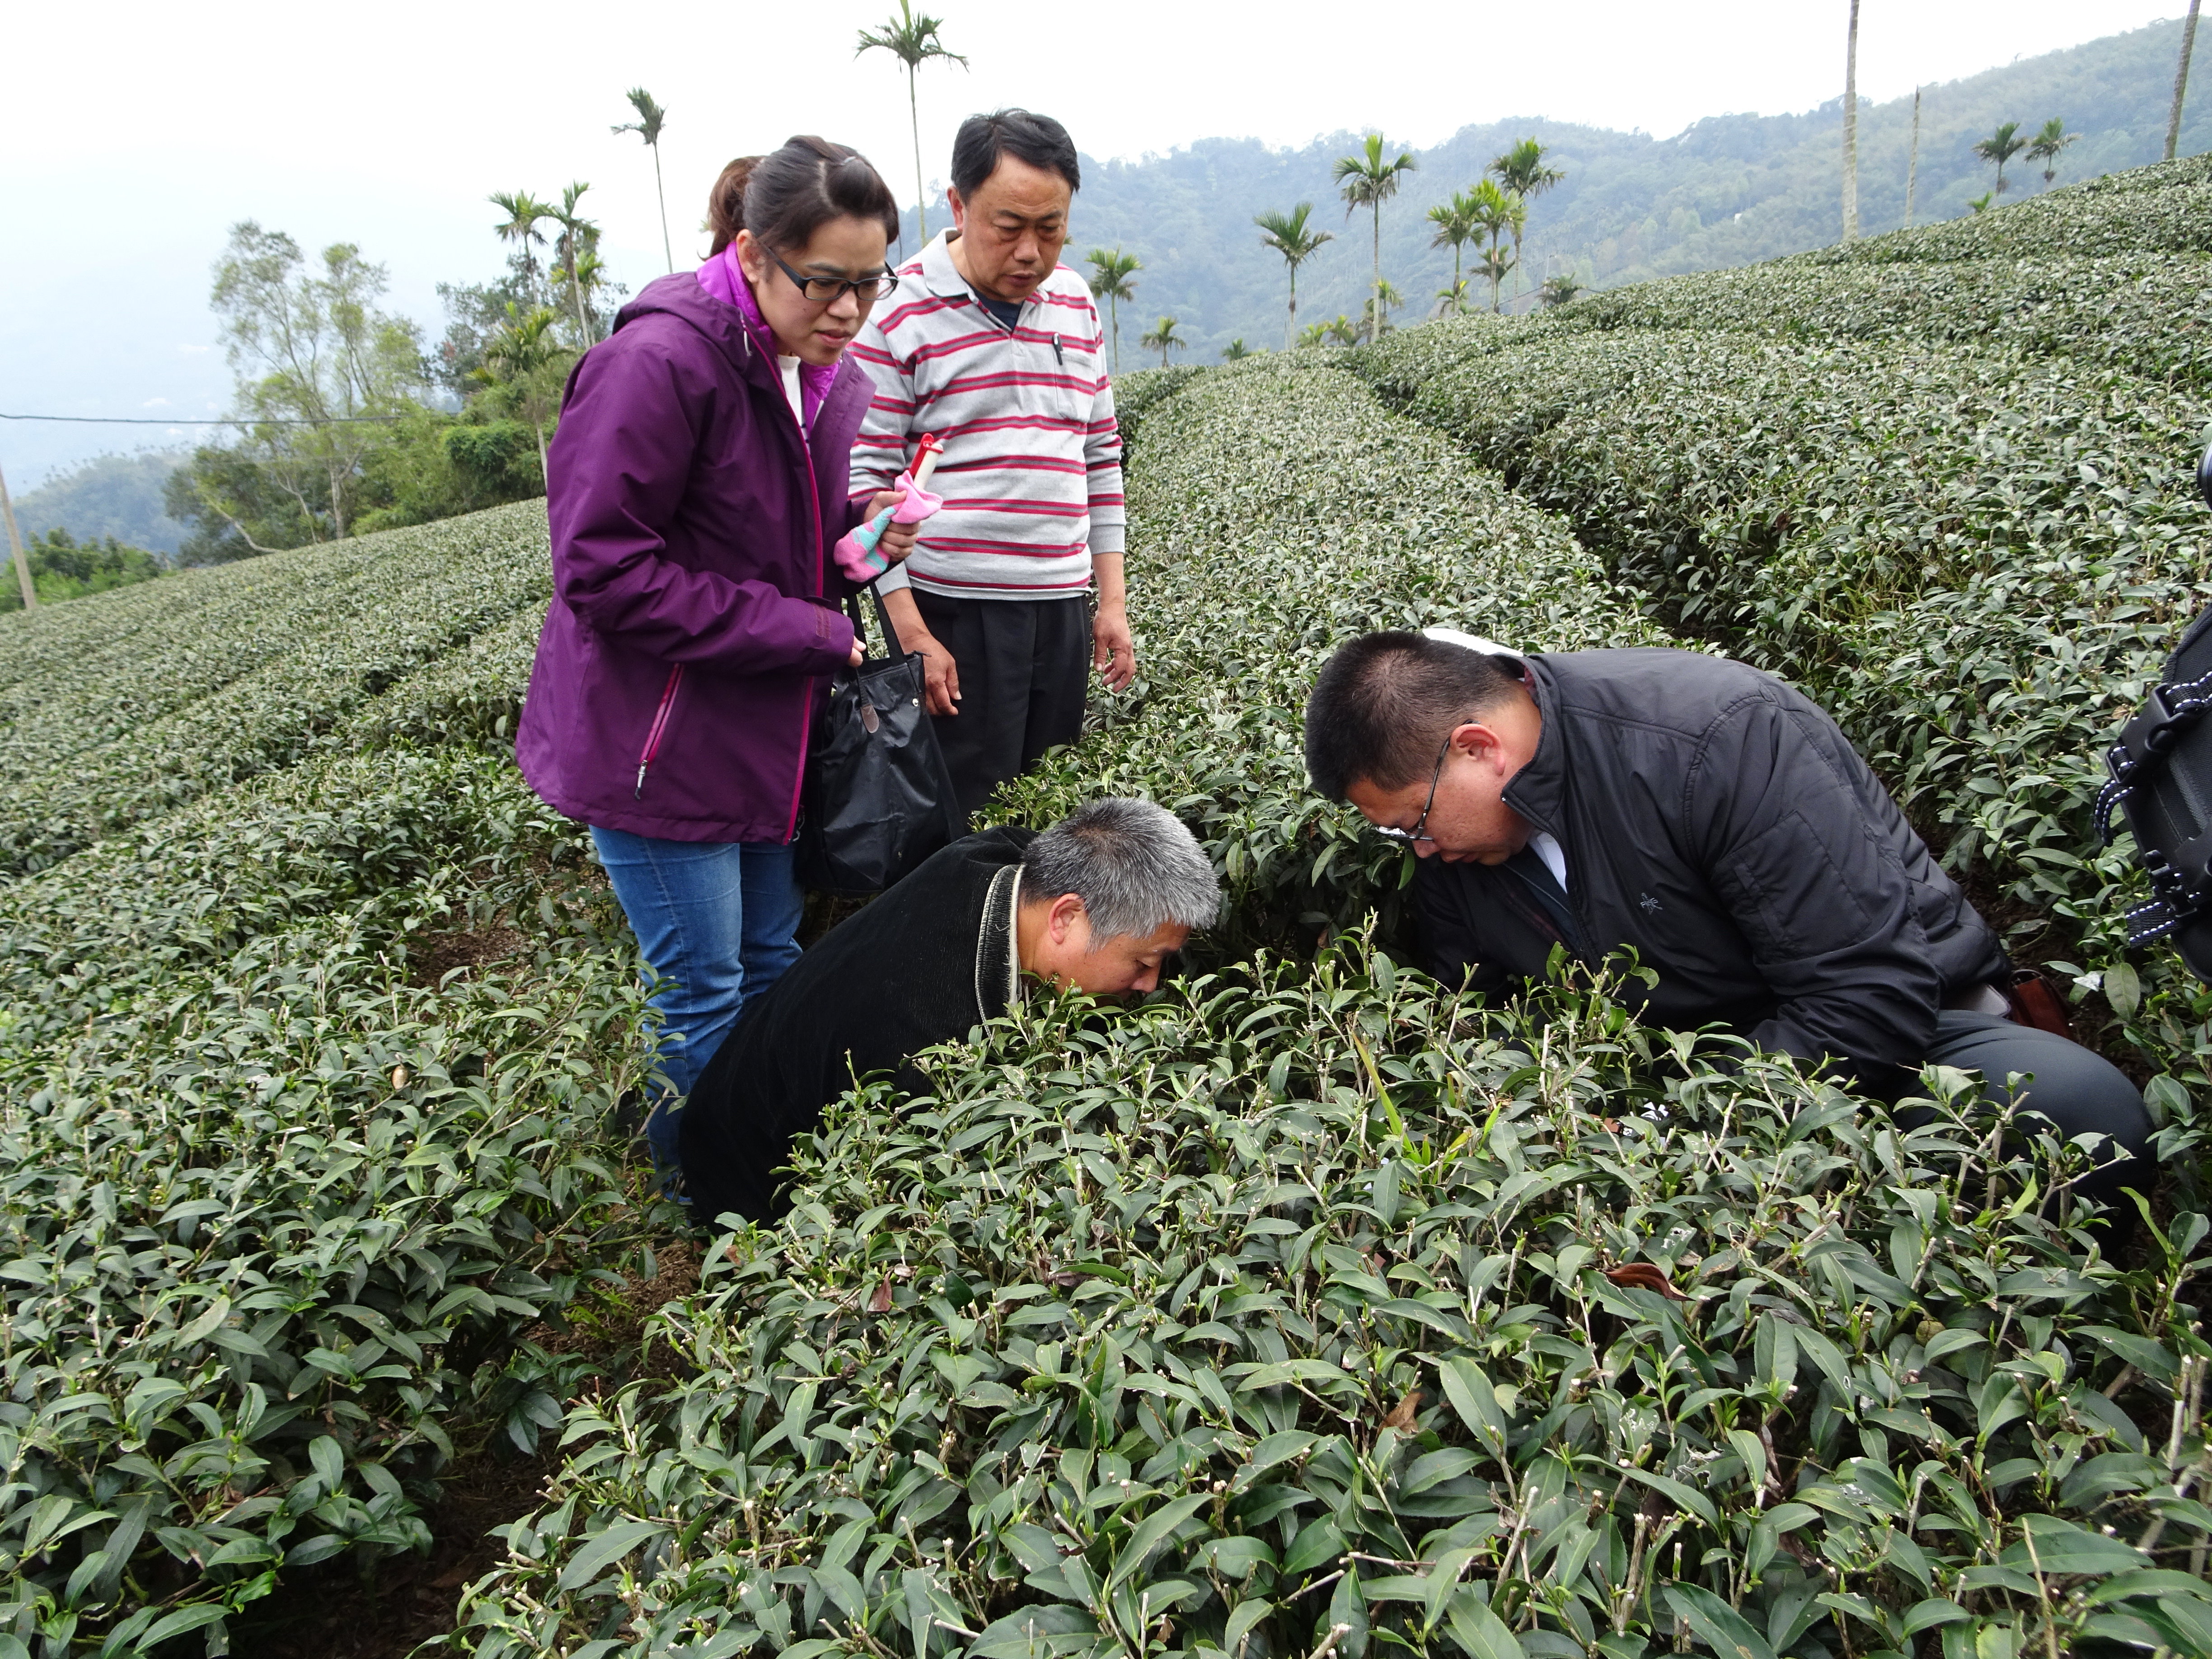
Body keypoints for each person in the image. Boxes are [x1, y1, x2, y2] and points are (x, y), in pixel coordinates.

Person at [1303, 629, 2156, 1222]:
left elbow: (1866, 994)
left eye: (1412, 822)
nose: (1416, 848)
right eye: (1394, 834)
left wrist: (1693, 1136)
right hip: (1674, 1076)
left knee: (2081, 1115)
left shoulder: (1709, 734)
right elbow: (1481, 1011)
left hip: (1895, 1040)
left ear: (1479, 747)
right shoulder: (1461, 852)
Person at [516, 136, 920, 1167]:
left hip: (761, 730)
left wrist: (863, 537)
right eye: (821, 282)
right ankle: (701, 1198)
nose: (846, 310)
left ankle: (753, 1154)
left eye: (867, 285)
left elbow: (785, 540)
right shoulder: (655, 366)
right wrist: (809, 629)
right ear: (751, 254)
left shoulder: (817, 376)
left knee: (771, 958)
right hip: (658, 745)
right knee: (700, 986)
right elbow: (603, 573)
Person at [680, 798, 1218, 1226]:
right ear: (1066, 917)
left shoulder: (1007, 860)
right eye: (1145, 962)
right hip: (750, 1189)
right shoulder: (926, 1041)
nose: (1151, 985)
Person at [848, 108, 1133, 822]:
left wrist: (1113, 601)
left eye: (1052, 227)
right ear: (959, 205)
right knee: (966, 814)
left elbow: (1101, 453)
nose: (1032, 252)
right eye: (1009, 227)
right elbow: (867, 486)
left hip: (1060, 603)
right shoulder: (897, 312)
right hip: (955, 611)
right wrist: (912, 633)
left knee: (1051, 804)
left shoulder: (1075, 302)